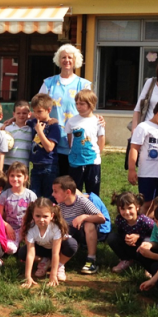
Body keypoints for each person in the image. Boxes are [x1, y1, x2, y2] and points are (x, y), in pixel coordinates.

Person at [39, 44, 93, 176]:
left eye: (70, 57)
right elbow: (38, 106)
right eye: (63, 57)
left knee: (72, 181)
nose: (67, 60)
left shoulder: (84, 84)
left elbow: (89, 109)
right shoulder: (48, 83)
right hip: (53, 139)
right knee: (54, 181)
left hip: (75, 140)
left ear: (75, 61)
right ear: (59, 60)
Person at [51, 176, 106, 275]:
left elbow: (101, 218)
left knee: (89, 224)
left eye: (55, 191)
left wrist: (84, 217)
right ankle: (59, 260)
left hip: (83, 234)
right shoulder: (59, 206)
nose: (52, 194)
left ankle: (91, 260)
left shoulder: (82, 201)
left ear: (67, 192)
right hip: (69, 234)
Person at [18, 198, 78, 286]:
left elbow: (55, 253)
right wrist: (28, 276)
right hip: (43, 248)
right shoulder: (31, 229)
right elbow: (31, 254)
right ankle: (44, 261)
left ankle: (59, 265)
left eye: (45, 216)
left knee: (71, 244)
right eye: (38, 216)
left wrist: (53, 275)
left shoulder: (55, 228)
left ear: (52, 216)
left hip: (58, 249)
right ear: (33, 215)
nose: (41, 219)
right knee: (23, 253)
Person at [65, 90, 105, 196]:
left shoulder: (98, 121)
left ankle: (93, 212)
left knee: (93, 191)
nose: (78, 106)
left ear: (91, 104)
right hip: (76, 162)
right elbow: (70, 140)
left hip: (92, 162)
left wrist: (97, 154)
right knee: (74, 191)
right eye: (77, 103)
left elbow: (101, 139)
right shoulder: (71, 121)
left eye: (82, 104)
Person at [107, 192, 155, 274]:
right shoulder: (120, 220)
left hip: (144, 247)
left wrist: (139, 237)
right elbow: (120, 232)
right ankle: (126, 259)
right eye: (122, 209)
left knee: (147, 241)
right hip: (130, 247)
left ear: (137, 207)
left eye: (130, 208)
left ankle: (149, 266)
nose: (127, 212)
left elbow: (155, 236)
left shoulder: (145, 221)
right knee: (112, 237)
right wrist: (125, 237)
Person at [0, 162, 37, 255]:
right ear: (8, 177)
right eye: (12, 175)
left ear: (25, 177)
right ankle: (17, 245)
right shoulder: (4, 195)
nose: (15, 179)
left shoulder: (31, 195)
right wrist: (7, 226)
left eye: (19, 176)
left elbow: (34, 215)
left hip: (27, 227)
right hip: (11, 228)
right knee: (10, 249)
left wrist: (25, 228)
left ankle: (24, 245)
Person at [28, 93, 62, 200]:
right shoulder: (34, 122)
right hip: (35, 167)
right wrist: (11, 120)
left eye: (40, 111)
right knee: (34, 196)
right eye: (34, 111)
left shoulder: (54, 126)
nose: (36, 114)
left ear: (48, 110)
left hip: (49, 167)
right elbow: (22, 120)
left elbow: (49, 147)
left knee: (49, 197)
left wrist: (39, 132)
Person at [2, 100, 33, 171]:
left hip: (24, 165)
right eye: (18, 113)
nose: (21, 115)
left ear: (29, 114)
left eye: (24, 113)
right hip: (8, 164)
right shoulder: (7, 129)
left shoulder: (31, 130)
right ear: (14, 114)